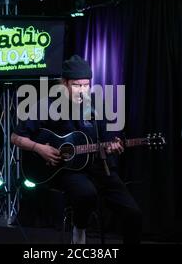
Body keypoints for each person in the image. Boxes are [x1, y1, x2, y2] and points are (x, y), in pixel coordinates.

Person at [11, 55, 142, 244]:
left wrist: (116, 144)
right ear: (64, 83)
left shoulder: (98, 106)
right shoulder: (46, 105)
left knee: (133, 213)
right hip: (68, 170)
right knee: (86, 194)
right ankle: (79, 228)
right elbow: (16, 137)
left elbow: (113, 137)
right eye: (77, 85)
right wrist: (38, 148)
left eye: (86, 85)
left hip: (99, 166)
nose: (82, 90)